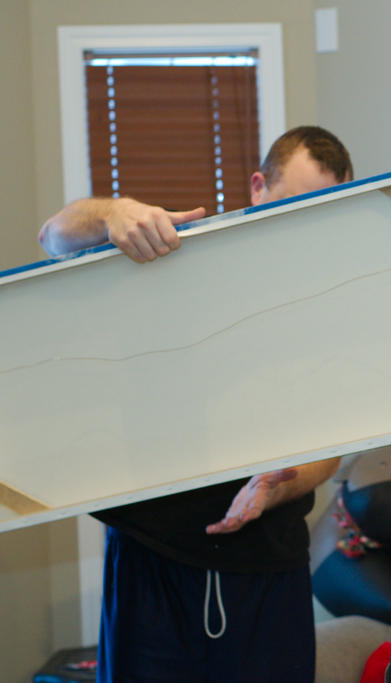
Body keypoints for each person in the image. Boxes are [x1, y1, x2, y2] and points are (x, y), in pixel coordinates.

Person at [39, 126, 354, 682]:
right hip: (151, 561)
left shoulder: (333, 301)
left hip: (269, 568)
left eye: (323, 210)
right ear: (257, 187)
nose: (303, 223)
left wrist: (279, 484)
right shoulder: (173, 251)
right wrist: (113, 214)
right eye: (291, 203)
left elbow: (332, 448)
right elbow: (54, 236)